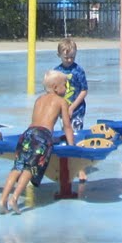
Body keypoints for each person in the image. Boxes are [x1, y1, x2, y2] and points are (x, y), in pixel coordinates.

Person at [0, 70, 76, 215]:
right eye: (65, 85)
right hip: (43, 137)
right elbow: (67, 126)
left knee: (17, 166)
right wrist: (72, 147)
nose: (67, 88)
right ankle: (14, 198)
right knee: (30, 168)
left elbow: (36, 123)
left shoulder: (39, 99)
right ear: (55, 87)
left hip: (27, 134)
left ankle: (2, 199)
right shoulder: (61, 101)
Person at [54, 38, 88, 180]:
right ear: (59, 55)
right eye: (66, 57)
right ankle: (68, 163)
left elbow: (84, 90)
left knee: (75, 136)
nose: (69, 60)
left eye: (72, 57)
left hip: (77, 110)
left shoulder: (78, 70)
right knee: (66, 136)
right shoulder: (56, 72)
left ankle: (80, 168)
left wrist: (72, 107)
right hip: (62, 112)